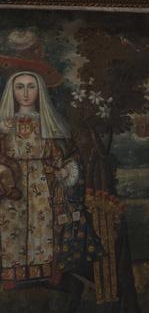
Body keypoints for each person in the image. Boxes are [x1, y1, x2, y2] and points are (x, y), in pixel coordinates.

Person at [0, 71, 93, 287]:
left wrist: (62, 171)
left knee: (42, 226)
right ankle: (11, 273)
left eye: (31, 86)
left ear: (39, 90)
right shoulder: (4, 125)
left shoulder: (48, 123)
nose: (25, 93)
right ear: (12, 91)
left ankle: (43, 270)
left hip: (42, 182)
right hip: (13, 181)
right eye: (19, 87)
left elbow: (60, 157)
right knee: (11, 225)